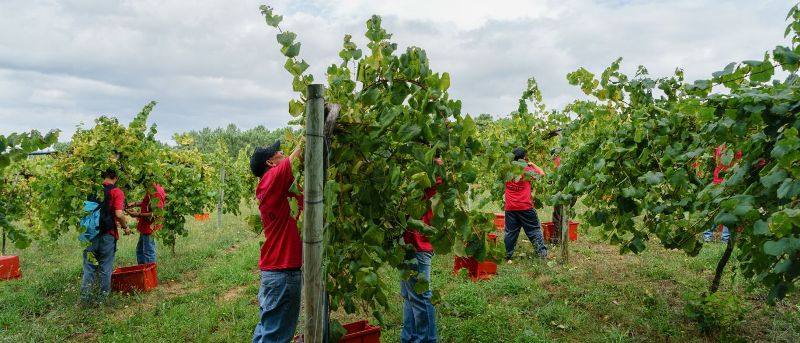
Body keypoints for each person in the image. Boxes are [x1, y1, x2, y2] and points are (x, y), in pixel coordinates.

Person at [250, 140, 304, 343]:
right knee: (277, 337)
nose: (283, 152)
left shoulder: (270, 185)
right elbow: (299, 154)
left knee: (267, 330)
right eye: (279, 152)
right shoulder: (273, 177)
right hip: (283, 273)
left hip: (274, 271)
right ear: (271, 163)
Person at [400, 157, 442, 343]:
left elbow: (438, 178)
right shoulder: (409, 167)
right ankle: (409, 339)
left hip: (418, 244)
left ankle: (426, 340)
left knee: (420, 296)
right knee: (410, 296)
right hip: (405, 243)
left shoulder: (431, 171)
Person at [80, 168, 130, 304]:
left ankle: (85, 299)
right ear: (116, 178)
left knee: (89, 267)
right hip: (107, 235)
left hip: (89, 235)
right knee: (105, 267)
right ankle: (102, 299)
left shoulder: (93, 190)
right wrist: (125, 227)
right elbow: (119, 214)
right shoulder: (116, 192)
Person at [504, 147, 548, 262]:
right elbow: (542, 174)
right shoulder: (527, 170)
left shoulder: (507, 170)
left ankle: (507, 255)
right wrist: (532, 164)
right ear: (524, 158)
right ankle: (541, 254)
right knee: (533, 230)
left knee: (510, 232)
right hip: (525, 206)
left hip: (510, 207)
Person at [702, 145, 741, 243]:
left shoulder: (721, 146)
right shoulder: (737, 149)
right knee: (727, 211)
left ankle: (708, 236)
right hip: (729, 182)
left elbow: (717, 161)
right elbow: (738, 165)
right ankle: (725, 238)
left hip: (718, 182)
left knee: (714, 210)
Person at [126, 182, 166, 264]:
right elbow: (149, 203)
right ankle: (142, 272)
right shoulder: (152, 188)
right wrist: (135, 204)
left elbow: (157, 213)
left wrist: (138, 214)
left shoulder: (156, 192)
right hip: (145, 225)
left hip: (149, 227)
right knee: (140, 251)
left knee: (148, 253)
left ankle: (149, 275)